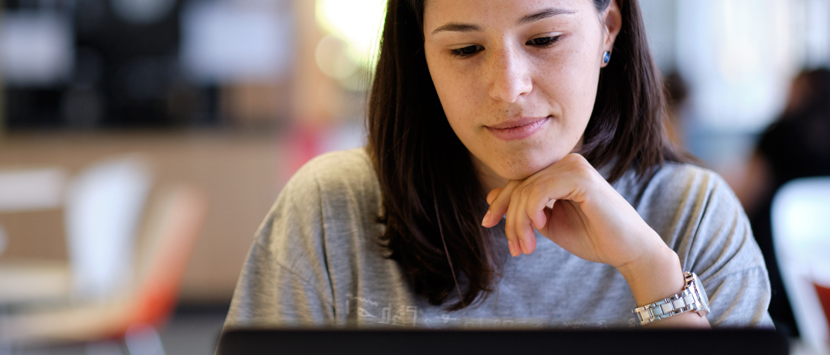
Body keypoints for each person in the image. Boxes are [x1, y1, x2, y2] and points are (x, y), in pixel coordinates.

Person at [224, 0, 772, 329]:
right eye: (465, 50)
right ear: (421, 55)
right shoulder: (330, 208)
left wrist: (652, 272)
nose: (508, 88)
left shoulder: (692, 215)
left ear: (609, 29)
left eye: (544, 38)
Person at [730, 68, 830, 336]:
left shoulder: (779, 132)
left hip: (775, 273)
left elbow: (746, 195)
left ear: (805, 89)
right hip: (820, 285)